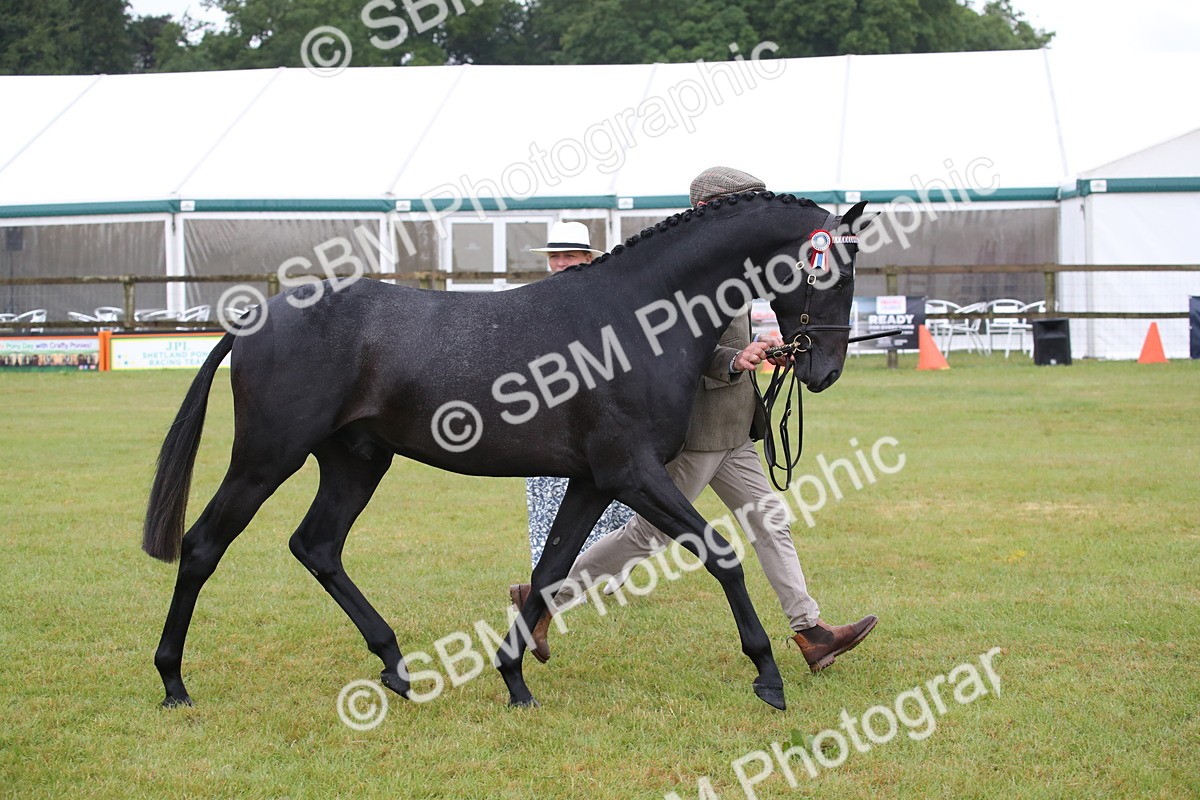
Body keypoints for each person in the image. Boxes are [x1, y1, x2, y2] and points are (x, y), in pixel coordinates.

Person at [511, 167, 877, 672]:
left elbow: (740, 336)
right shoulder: (686, 267)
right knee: (647, 536)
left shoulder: (737, 263)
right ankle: (543, 596)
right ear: (714, 207)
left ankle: (811, 632)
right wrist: (733, 359)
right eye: (746, 202)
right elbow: (673, 352)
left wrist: (773, 351)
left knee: (771, 525)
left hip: (736, 427)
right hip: (697, 431)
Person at [520, 221, 636, 606]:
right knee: (547, 499)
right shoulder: (537, 298)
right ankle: (552, 584)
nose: (560, 262)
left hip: (599, 411)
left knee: (618, 497)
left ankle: (613, 565)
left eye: (569, 255)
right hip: (549, 415)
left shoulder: (607, 298)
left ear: (587, 258)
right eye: (555, 256)